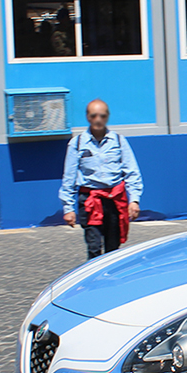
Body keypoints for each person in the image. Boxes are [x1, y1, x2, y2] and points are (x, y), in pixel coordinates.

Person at [60, 100, 143, 260]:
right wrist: (68, 208)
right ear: (87, 117)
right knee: (94, 246)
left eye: (102, 115)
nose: (98, 119)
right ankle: (94, 281)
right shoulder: (77, 144)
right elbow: (69, 178)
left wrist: (134, 200)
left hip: (114, 200)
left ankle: (111, 281)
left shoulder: (119, 141)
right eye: (94, 115)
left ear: (107, 117)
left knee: (113, 247)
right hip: (90, 201)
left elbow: (132, 172)